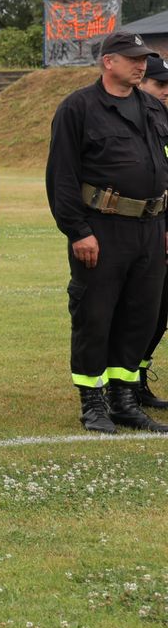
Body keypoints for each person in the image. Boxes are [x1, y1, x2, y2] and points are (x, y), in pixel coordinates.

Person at [45, 30, 168, 434]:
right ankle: (92, 402)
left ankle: (124, 399)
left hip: (149, 227)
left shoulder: (153, 108)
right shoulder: (78, 108)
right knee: (95, 316)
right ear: (108, 61)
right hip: (101, 227)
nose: (142, 65)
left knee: (140, 315)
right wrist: (77, 231)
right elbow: (62, 177)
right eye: (133, 58)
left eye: (144, 58)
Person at [139, 55, 168, 412]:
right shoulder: (136, 122)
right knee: (142, 310)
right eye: (159, 85)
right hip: (145, 229)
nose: (165, 93)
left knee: (159, 313)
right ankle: (122, 384)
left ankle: (138, 377)